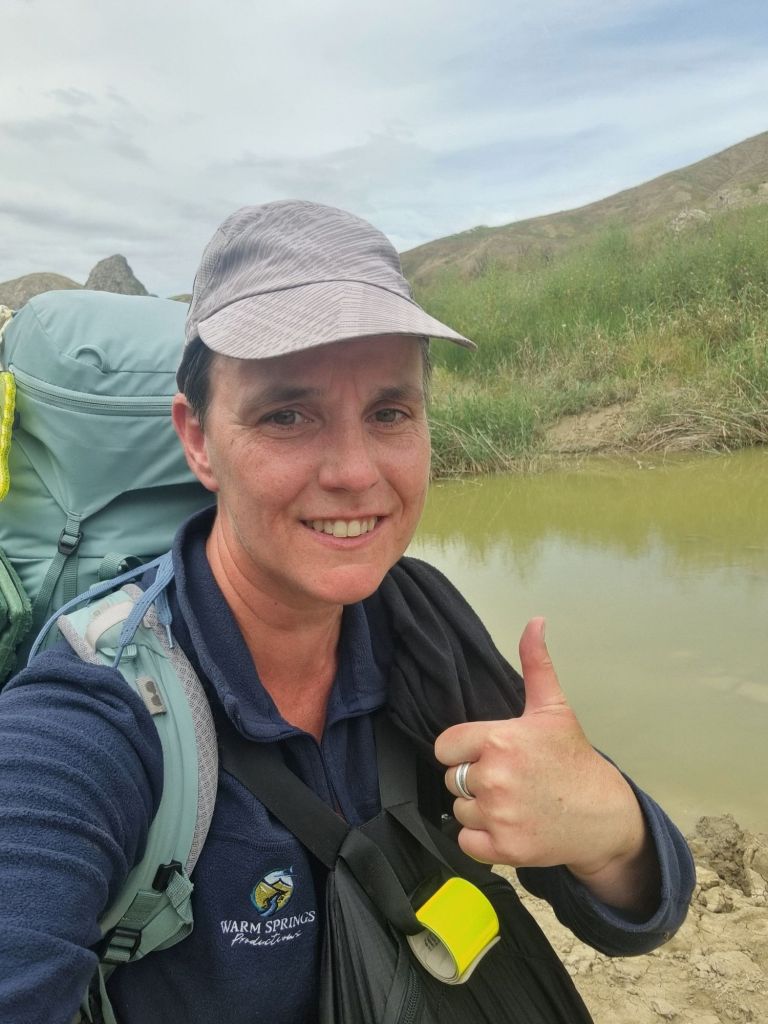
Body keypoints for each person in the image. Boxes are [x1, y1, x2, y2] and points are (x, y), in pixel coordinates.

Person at [0, 200, 695, 1023]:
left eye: (389, 412)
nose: (356, 472)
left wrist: (612, 830)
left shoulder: (417, 620)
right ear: (198, 440)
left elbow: (633, 910)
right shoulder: (95, 713)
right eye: (287, 415)